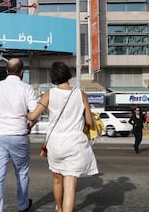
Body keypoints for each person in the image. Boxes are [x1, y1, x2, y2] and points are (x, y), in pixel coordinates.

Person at [27, 61, 99, 212]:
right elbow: (89, 121)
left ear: (53, 77)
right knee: (70, 186)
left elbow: (33, 115)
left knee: (57, 179)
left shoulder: (49, 94)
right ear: (68, 75)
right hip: (75, 142)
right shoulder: (80, 94)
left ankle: (59, 208)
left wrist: (22, 112)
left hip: (55, 143)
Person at [0, 58, 37, 212]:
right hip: (19, 135)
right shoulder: (26, 89)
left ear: (6, 71)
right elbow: (35, 112)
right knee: (22, 173)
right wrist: (29, 124)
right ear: (22, 72)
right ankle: (23, 205)